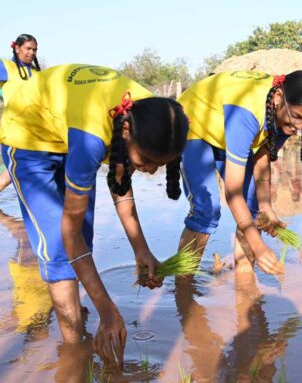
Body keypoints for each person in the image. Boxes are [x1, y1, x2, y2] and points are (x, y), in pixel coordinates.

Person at [0, 64, 189, 369]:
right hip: (29, 138)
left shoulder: (151, 115)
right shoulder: (94, 138)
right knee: (61, 251)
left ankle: (78, 314)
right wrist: (107, 309)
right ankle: (75, 357)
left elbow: (120, 186)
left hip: (67, 128)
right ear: (125, 132)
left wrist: (141, 248)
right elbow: (69, 235)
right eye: (149, 161)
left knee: (81, 242)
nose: (151, 171)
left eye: (161, 165)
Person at [176, 70, 302, 275]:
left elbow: (263, 157)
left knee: (253, 210)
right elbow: (233, 193)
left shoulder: (285, 115)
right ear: (278, 98)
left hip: (224, 129)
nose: (299, 127)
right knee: (206, 210)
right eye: (297, 117)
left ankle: (245, 280)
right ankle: (184, 283)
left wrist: (266, 206)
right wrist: (260, 247)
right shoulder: (247, 112)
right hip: (194, 123)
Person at [0, 34, 42, 191]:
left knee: (15, 171)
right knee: (16, 169)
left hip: (37, 132)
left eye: (35, 50)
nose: (32, 52)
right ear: (17, 48)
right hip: (15, 130)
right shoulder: (5, 66)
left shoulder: (38, 74)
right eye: (28, 48)